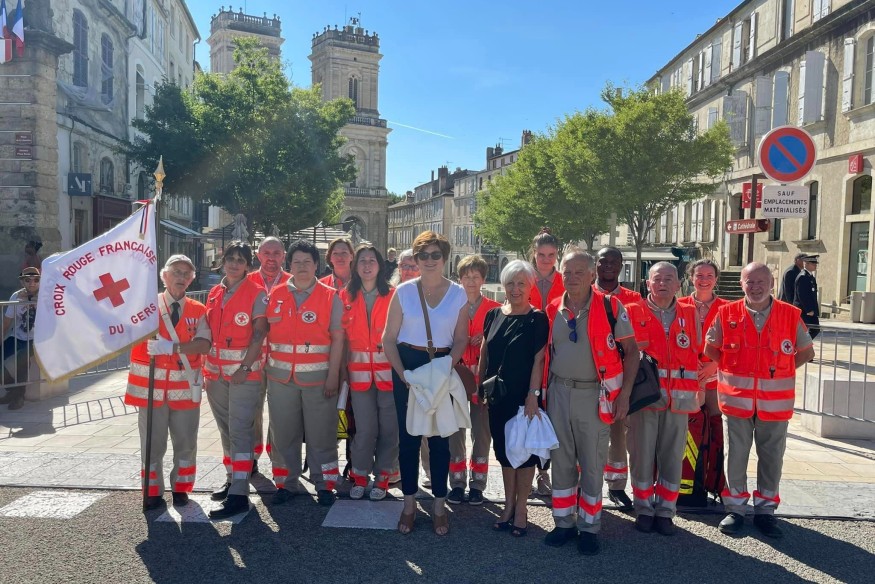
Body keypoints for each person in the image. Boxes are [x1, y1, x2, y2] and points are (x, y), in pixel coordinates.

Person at [705, 262, 814, 538]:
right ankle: (736, 509)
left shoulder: (790, 315)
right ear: (742, 284)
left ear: (772, 283)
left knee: (772, 458)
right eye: (749, 282)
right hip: (736, 402)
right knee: (735, 456)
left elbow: (805, 352)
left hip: (774, 405)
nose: (755, 287)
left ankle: (766, 510)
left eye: (760, 282)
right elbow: (711, 349)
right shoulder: (725, 313)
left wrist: (779, 373)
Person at [542, 251, 639, 554]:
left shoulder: (611, 306)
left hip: (594, 395)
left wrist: (624, 395)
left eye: (578, 272)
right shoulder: (551, 309)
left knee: (593, 463)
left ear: (591, 275)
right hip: (559, 392)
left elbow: (632, 353)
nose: (571, 278)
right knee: (562, 461)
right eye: (567, 272)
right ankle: (563, 522)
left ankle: (589, 526)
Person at [382, 230, 468, 536]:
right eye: (423, 255)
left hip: (441, 367)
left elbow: (460, 338)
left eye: (435, 255)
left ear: (445, 258)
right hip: (407, 368)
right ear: (416, 259)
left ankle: (439, 506)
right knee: (408, 439)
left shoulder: (458, 293)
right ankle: (408, 504)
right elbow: (388, 339)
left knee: (440, 439)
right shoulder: (403, 292)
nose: (429, 261)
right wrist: (403, 374)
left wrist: (446, 368)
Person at [125, 255, 209, 510]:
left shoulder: (198, 310)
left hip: (184, 390)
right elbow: (124, 331)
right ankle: (152, 491)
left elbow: (204, 344)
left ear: (192, 280)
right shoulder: (145, 306)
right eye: (176, 272)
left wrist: (171, 346)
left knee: (186, 442)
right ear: (164, 276)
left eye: (186, 273)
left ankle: (181, 488)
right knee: (152, 443)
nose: (181, 277)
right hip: (150, 389)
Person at [266, 239, 345, 507]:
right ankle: (286, 483)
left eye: (307, 262)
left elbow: (338, 340)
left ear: (316, 266)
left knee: (322, 433)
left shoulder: (330, 296)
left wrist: (333, 376)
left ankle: (324, 484)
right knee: (283, 434)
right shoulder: (275, 294)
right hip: (280, 380)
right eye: (296, 262)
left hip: (319, 380)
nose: (301, 267)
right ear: (289, 265)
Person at [624, 262, 700, 536]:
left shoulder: (691, 314)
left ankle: (666, 511)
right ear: (648, 284)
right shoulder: (632, 312)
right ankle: (644, 509)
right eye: (658, 279)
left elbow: (699, 353)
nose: (663, 283)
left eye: (669, 279)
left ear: (679, 284)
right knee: (641, 456)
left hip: (679, 401)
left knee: (672, 458)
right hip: (644, 399)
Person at [478, 259, 549, 538]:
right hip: (498, 396)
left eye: (521, 283)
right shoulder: (493, 315)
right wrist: (480, 387)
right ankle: (508, 506)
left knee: (526, 453)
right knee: (505, 452)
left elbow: (539, 359)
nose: (515, 289)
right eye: (510, 283)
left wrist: (533, 395)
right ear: (503, 286)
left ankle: (522, 510)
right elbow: (485, 351)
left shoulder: (537, 318)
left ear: (530, 286)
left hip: (524, 396)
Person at [201, 241, 268, 519]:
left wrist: (245, 366)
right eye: (230, 258)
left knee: (240, 431)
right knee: (226, 430)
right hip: (216, 373)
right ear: (223, 260)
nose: (234, 264)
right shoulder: (215, 292)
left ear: (248, 265)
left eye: (241, 260)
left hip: (244, 374)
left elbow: (259, 333)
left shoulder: (257, 292)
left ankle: (240, 493)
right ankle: (231, 479)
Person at [340, 245, 399, 502]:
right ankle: (360, 475)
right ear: (355, 265)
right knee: (364, 429)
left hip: (389, 375)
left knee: (389, 429)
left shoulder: (394, 295)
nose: (366, 265)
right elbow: (340, 338)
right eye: (362, 260)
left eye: (371, 260)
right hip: (359, 377)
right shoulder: (344, 296)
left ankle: (384, 476)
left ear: (380, 265)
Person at [447, 255, 500, 506]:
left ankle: (478, 484)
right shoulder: (451, 305)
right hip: (456, 378)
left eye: (475, 277)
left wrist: (486, 338)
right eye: (466, 276)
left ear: (483, 279)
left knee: (482, 432)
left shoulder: (494, 308)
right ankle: (457, 483)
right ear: (460, 279)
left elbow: (500, 343)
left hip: (482, 379)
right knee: (455, 431)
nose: (471, 281)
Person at [593, 246, 642, 511]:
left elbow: (639, 344)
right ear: (596, 265)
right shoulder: (584, 295)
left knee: (618, 435)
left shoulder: (634, 299)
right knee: (586, 435)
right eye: (603, 261)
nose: (609, 265)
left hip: (620, 378)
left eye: (614, 261)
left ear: (622, 265)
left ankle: (616, 486)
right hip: (589, 377)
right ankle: (583, 485)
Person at [246, 237, 291, 475]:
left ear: (283, 256)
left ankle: (278, 457)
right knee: (252, 408)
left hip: (280, 359)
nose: (271, 258)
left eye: (276, 253)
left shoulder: (293, 283)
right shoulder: (248, 281)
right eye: (266, 253)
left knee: (279, 411)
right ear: (258, 255)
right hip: (253, 357)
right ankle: (252, 456)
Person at [527, 228, 564, 495]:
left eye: (551, 255)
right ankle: (526, 470)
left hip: (557, 355)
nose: (546, 260)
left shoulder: (566, 280)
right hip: (528, 356)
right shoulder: (523, 279)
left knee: (550, 416)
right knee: (528, 414)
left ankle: (544, 473)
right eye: (541, 255)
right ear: (533, 254)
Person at [677, 259, 728, 417]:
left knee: (716, 424)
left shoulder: (728, 308)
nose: (704, 280)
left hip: (716, 378)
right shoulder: (677, 305)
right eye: (699, 275)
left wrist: (715, 363)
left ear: (716, 279)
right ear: (691, 278)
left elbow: (733, 344)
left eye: (709, 275)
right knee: (687, 426)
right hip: (684, 376)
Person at [1, 267, 41, 410]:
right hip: (17, 335)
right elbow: (7, 322)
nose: (32, 283)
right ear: (22, 281)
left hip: (36, 338)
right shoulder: (16, 296)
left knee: (23, 360)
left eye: (36, 280)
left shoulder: (46, 296)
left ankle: (19, 397)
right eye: (28, 280)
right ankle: (11, 389)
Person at [793, 255, 820, 340]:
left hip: (811, 311)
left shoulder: (810, 277)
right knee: (803, 330)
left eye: (816, 264)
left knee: (815, 329)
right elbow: (802, 295)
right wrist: (808, 310)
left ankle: (804, 344)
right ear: (806, 264)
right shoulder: (803, 276)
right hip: (804, 311)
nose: (815, 266)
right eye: (813, 264)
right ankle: (802, 345)